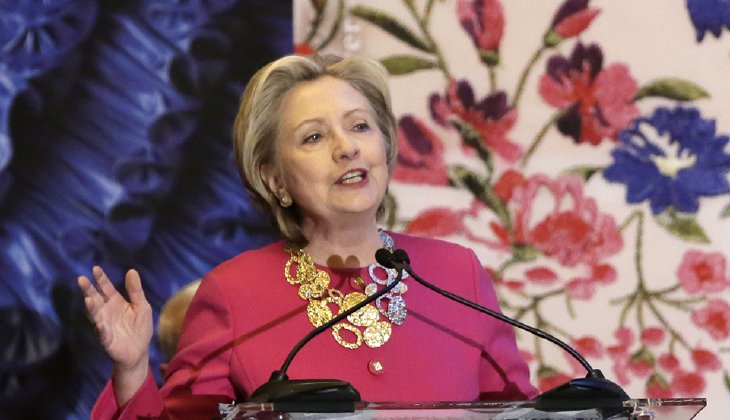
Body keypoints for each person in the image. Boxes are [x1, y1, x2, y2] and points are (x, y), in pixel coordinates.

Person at [77, 54, 538, 419]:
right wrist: (132, 370)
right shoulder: (234, 294)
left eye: (360, 126)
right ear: (275, 178)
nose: (347, 147)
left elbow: (521, 413)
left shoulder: (457, 274)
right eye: (314, 137)